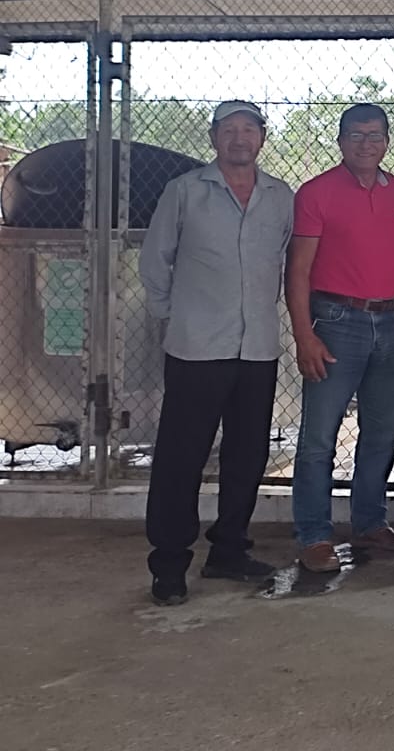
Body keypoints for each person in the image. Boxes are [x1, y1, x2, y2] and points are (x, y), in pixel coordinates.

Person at [139, 101, 294, 605]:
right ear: (214, 137)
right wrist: (174, 313)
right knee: (181, 457)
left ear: (262, 138)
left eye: (249, 129)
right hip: (197, 348)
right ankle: (169, 564)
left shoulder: (280, 197)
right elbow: (155, 260)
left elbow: (286, 258)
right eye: (229, 129)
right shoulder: (185, 191)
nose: (239, 138)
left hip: (257, 347)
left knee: (247, 455)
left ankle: (228, 550)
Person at [287, 103, 394, 572]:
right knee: (319, 438)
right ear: (340, 141)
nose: (365, 144)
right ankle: (314, 535)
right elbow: (298, 270)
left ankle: (369, 522)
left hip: (389, 320)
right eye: (355, 135)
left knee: (383, 430)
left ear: (387, 141)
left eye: (374, 135)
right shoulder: (316, 193)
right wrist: (304, 335)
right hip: (335, 321)